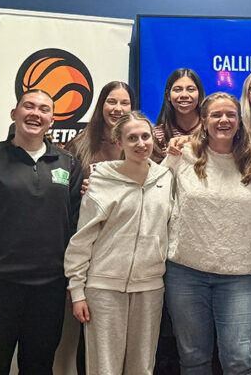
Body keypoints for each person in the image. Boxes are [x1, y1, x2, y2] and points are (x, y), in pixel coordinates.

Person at [0, 89, 83, 373]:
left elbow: (76, 229)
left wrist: (74, 281)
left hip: (49, 288)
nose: (36, 114)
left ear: (52, 120)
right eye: (29, 106)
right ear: (15, 114)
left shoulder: (68, 164)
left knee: (38, 366)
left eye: (44, 109)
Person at [162, 92, 251, 375]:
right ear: (203, 121)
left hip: (239, 276)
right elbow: (153, 193)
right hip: (186, 272)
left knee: (240, 360)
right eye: (216, 115)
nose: (224, 120)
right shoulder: (182, 154)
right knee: (193, 359)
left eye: (231, 115)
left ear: (240, 121)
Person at [64, 111, 173, 374]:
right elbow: (83, 239)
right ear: (119, 142)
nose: (140, 143)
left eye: (145, 136)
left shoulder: (167, 178)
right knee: (104, 368)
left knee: (142, 368)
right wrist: (77, 290)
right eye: (132, 138)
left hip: (149, 288)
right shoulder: (100, 180)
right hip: (104, 288)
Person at [65, 81, 135, 177]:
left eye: (124, 103)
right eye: (112, 102)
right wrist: (81, 189)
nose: (118, 108)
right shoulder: (78, 145)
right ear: (101, 105)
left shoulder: (141, 145)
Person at [153, 68, 205, 157]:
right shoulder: (156, 135)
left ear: (199, 94)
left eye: (190, 89)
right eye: (177, 90)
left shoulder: (210, 131)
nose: (184, 95)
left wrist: (190, 140)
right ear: (168, 96)